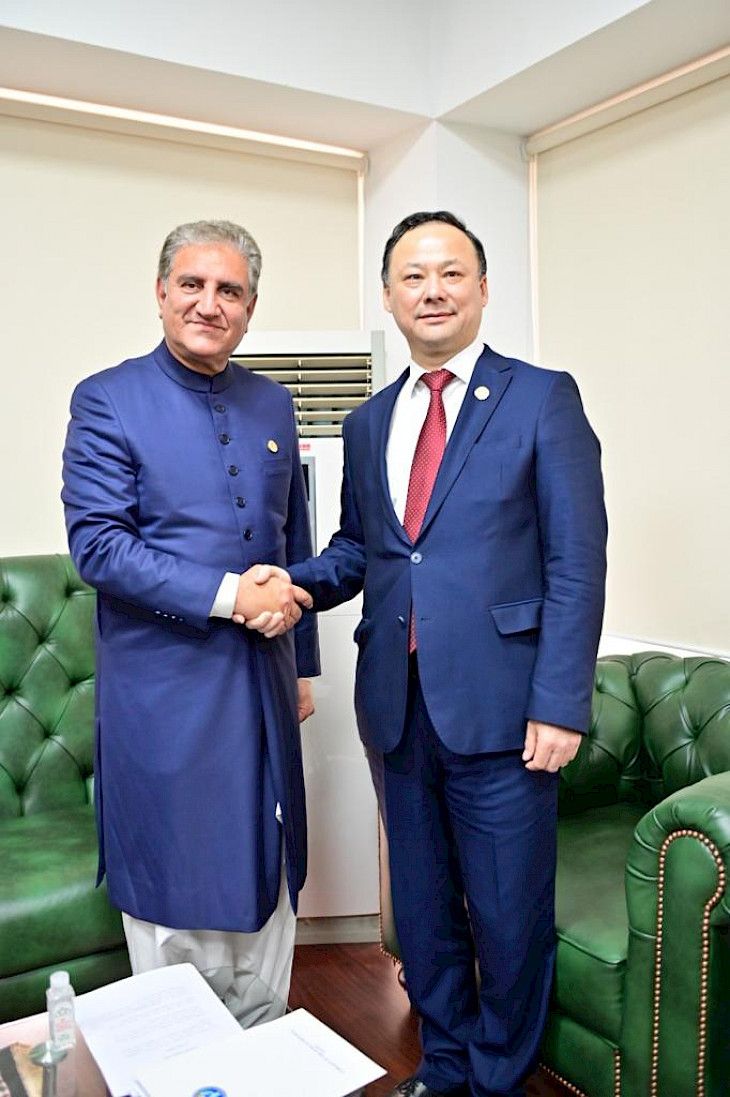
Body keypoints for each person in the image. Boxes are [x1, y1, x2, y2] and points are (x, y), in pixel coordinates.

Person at [288, 211, 607, 1097]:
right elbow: (362, 549)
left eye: (451, 273)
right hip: (397, 707)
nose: (432, 291)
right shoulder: (367, 421)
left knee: (507, 913)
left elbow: (576, 562)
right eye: (413, 276)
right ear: (389, 295)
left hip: (506, 709)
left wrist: (560, 701)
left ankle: (499, 1076)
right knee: (424, 912)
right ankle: (447, 1063)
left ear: (483, 288)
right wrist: (291, 586)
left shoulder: (541, 397)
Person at [61, 219, 318, 1026]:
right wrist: (232, 595)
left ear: (250, 307)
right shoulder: (107, 398)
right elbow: (99, 546)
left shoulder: (272, 401)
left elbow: (293, 541)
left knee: (267, 863)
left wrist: (305, 665)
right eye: (193, 285)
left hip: (265, 682)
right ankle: (182, 1061)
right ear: (161, 291)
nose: (210, 304)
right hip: (163, 687)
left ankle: (264, 1052)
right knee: (176, 883)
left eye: (230, 290)